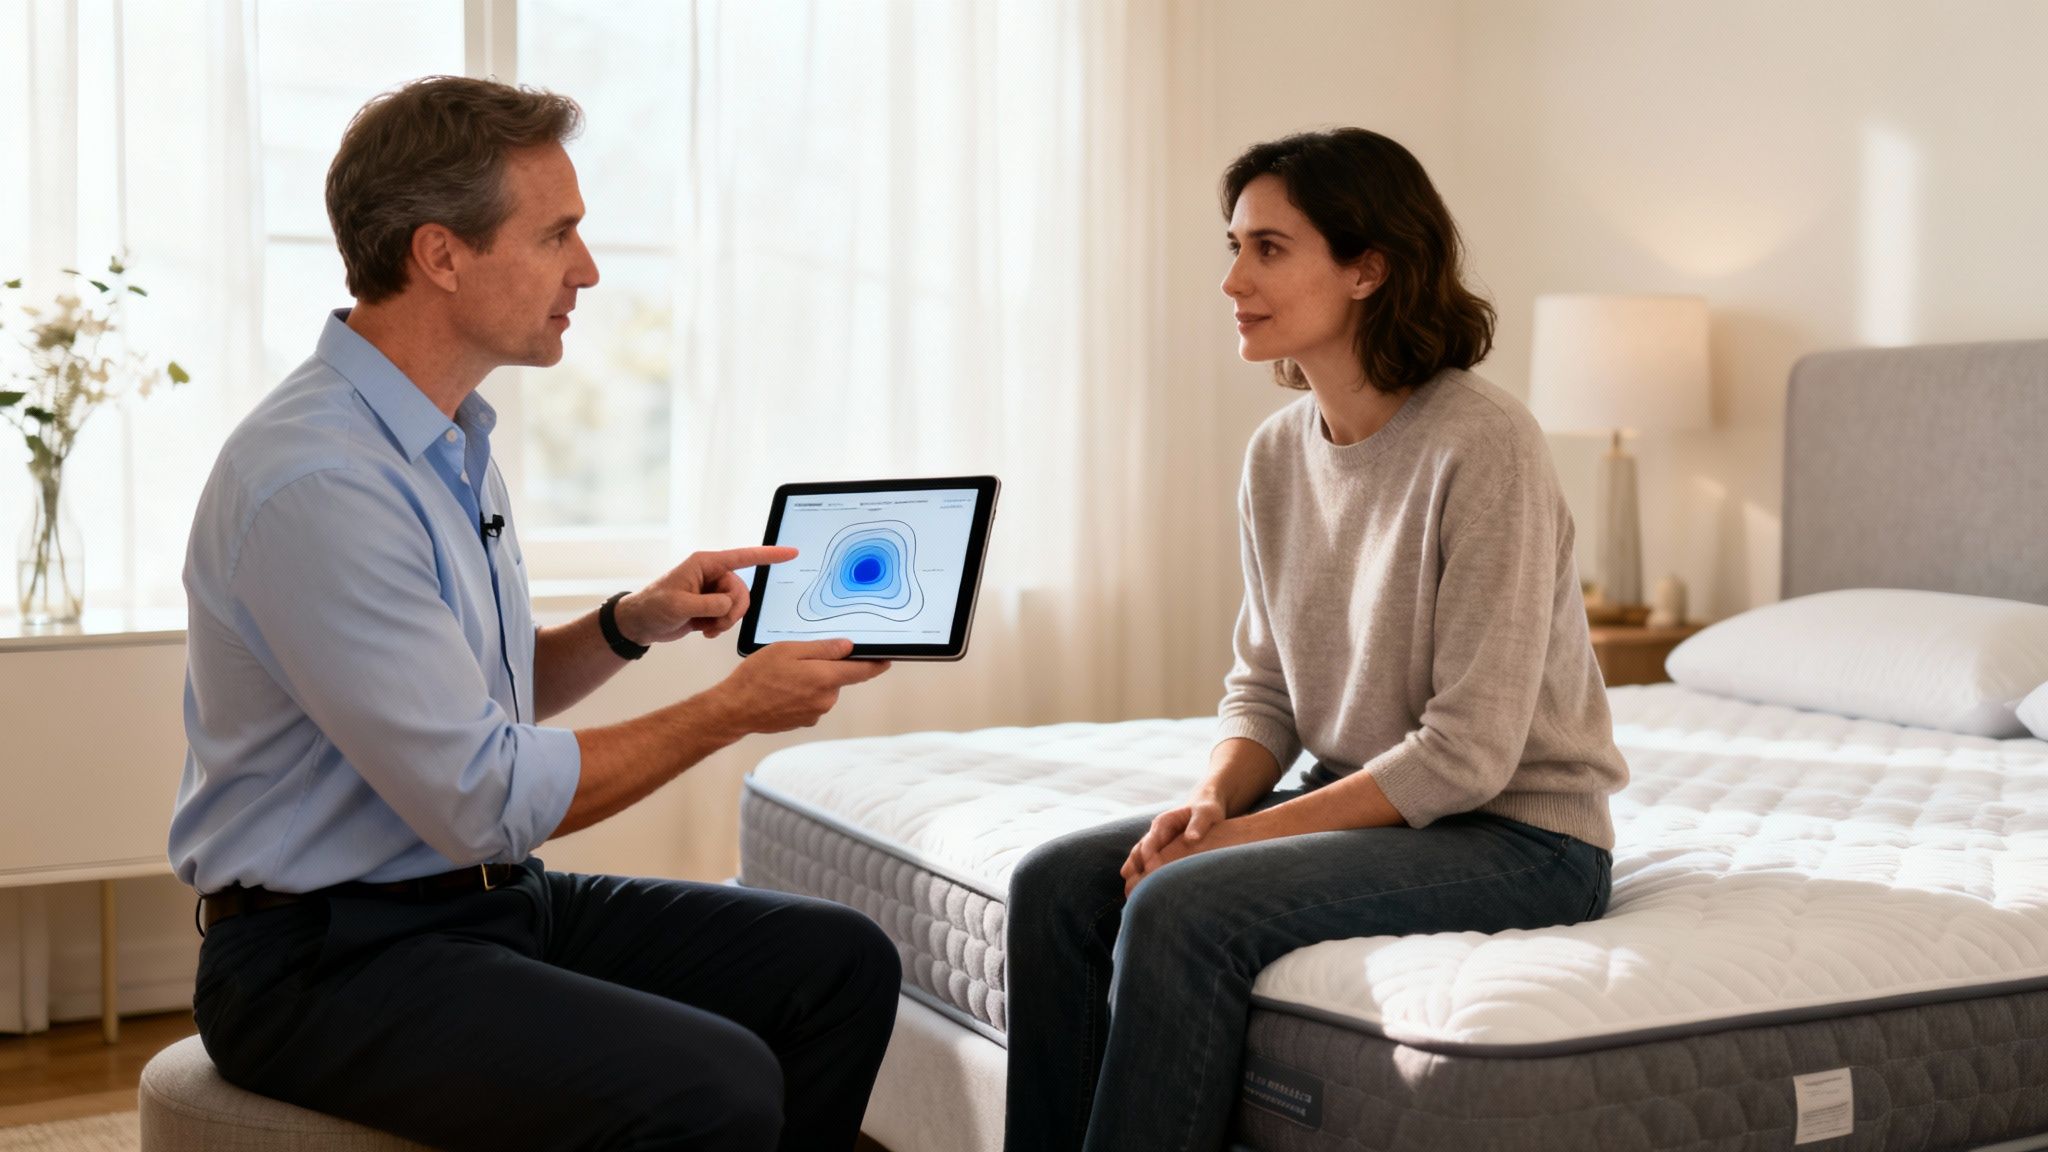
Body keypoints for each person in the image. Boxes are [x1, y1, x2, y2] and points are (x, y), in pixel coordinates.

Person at [172, 76, 899, 1152]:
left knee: (838, 963)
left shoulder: (447, 438)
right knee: (717, 1085)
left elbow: (472, 701)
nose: (589, 269)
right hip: (321, 961)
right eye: (557, 233)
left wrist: (626, 624)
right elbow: (479, 794)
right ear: (440, 254)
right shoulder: (318, 481)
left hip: (481, 908)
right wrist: (731, 707)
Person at [1002, 128, 1631, 1152]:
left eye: (1267, 248)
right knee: (1054, 886)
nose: (1231, 279)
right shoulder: (1274, 456)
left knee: (1180, 908)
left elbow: (1467, 755)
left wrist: (1236, 843)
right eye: (1232, 245)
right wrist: (1212, 800)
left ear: (1365, 269)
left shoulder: (1484, 442)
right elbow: (1266, 690)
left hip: (1522, 836)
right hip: (1377, 814)